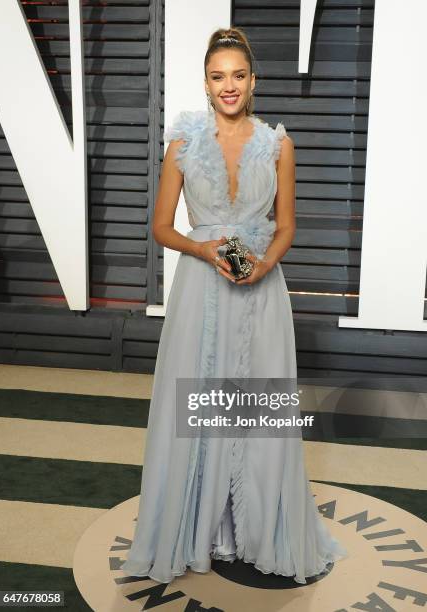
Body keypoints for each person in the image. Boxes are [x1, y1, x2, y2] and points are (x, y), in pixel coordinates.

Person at [121, 26, 348, 585]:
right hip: (200, 290)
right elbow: (160, 227)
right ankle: (196, 529)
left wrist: (265, 265)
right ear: (205, 83)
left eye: (238, 76)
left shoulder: (278, 145)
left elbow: (287, 227)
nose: (229, 86)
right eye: (218, 76)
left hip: (261, 293)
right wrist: (202, 248)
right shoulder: (181, 145)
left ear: (253, 82)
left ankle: (252, 530)